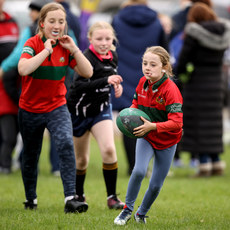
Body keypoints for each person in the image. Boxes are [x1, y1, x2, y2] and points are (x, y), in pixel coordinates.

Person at [17, 2, 93, 212]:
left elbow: (88, 73)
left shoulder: (67, 46)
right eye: (52, 21)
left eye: (61, 21)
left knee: (66, 144)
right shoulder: (32, 43)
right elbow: (23, 69)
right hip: (30, 108)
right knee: (31, 155)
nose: (57, 25)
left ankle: (71, 198)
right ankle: (30, 198)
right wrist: (45, 51)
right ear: (42, 24)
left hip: (56, 106)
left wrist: (75, 49)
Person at [114, 46, 183, 225]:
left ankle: (141, 214)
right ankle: (126, 210)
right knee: (138, 171)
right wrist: (130, 114)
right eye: (145, 63)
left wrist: (153, 126)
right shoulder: (142, 83)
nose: (147, 68)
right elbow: (136, 103)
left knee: (155, 184)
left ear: (164, 67)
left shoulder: (171, 90)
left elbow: (177, 123)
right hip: (147, 136)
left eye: (153, 64)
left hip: (168, 140)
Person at [67, 21, 124, 210]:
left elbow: (111, 77)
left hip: (101, 109)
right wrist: (105, 80)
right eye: (99, 38)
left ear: (113, 40)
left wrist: (116, 85)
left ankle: (112, 198)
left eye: (108, 38)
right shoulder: (85, 58)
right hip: (79, 112)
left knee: (109, 149)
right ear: (90, 39)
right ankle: (79, 195)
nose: (104, 42)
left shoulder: (113, 55)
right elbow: (78, 87)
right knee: (81, 159)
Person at [111, 0, 169, 175]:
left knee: (129, 120)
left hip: (124, 76)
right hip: (149, 77)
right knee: (150, 121)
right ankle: (146, 165)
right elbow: (164, 51)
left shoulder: (117, 20)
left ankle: (133, 165)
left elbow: (111, 47)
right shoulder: (156, 21)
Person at [175, 3, 230, 176]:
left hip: (198, 83)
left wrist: (179, 74)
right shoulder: (224, 31)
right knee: (214, 124)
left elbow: (184, 58)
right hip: (218, 83)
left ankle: (204, 164)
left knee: (198, 124)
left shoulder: (193, 32)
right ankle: (217, 163)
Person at [169, 0, 213, 168]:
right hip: (206, 83)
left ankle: (177, 156)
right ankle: (199, 157)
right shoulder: (214, 26)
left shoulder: (182, 22)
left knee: (175, 116)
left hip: (182, 78)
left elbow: (179, 54)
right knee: (198, 120)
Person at [0, 0, 20, 174]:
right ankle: (4, 165)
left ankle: (6, 164)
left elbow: (17, 52)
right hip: (2, 86)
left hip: (11, 84)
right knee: (8, 135)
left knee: (12, 134)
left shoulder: (11, 21)